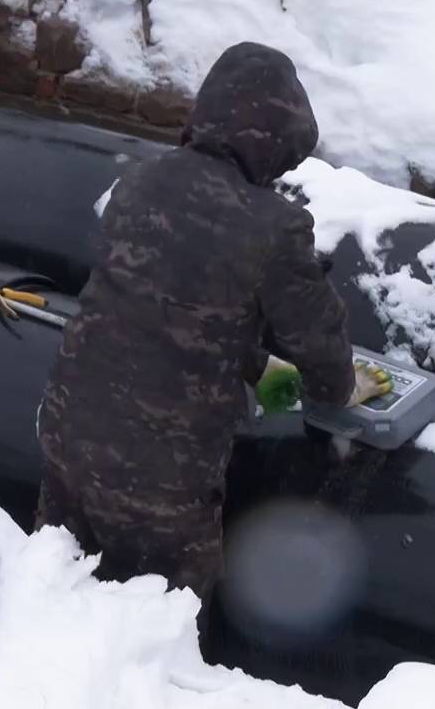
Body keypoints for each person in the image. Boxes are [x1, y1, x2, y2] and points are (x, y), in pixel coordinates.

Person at [35, 41, 390, 605]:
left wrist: (253, 365)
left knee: (54, 587)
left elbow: (168, 310)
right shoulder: (273, 226)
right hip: (159, 471)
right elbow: (315, 337)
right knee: (161, 620)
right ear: (273, 143)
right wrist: (341, 386)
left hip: (65, 434)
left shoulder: (140, 183)